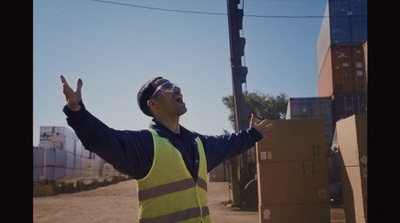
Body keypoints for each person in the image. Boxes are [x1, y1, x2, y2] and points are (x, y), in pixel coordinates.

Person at [60, 75, 275, 223]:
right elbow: (103, 140)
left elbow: (229, 144)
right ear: (152, 104)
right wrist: (77, 112)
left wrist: (252, 134)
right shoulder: (145, 145)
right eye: (167, 87)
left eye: (175, 84)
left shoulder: (199, 144)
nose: (178, 88)